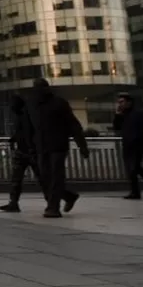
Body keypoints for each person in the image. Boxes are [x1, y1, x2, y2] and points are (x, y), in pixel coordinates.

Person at [26, 79, 90, 218]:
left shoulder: (59, 103)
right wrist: (30, 146)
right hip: (41, 146)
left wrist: (82, 146)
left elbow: (74, 125)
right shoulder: (32, 105)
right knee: (45, 177)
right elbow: (30, 127)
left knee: (56, 176)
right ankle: (68, 196)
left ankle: (53, 207)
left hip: (58, 145)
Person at [0, 94, 41, 213]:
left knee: (42, 178)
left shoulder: (26, 116)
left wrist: (31, 149)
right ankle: (13, 202)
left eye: (12, 105)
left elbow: (27, 134)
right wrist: (14, 139)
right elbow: (22, 133)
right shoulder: (21, 116)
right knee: (16, 179)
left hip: (28, 152)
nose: (11, 107)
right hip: (23, 152)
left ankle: (65, 196)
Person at [112, 92, 143, 199]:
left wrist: (138, 135)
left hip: (137, 145)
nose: (120, 104)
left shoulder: (139, 113)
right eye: (118, 102)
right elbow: (116, 127)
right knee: (130, 170)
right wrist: (117, 115)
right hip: (127, 145)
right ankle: (135, 192)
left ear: (129, 102)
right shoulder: (122, 115)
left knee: (135, 167)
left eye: (122, 102)